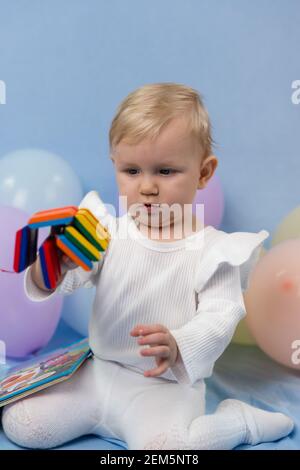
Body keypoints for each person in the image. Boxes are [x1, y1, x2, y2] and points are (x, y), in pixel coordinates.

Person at [2, 83, 294, 450]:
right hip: (100, 375)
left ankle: (239, 423)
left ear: (204, 173)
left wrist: (178, 344)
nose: (148, 187)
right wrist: (51, 269)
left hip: (164, 390)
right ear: (115, 165)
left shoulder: (214, 251)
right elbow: (65, 280)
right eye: (132, 171)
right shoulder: (107, 231)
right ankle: (95, 415)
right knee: (24, 425)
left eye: (166, 171)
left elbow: (220, 317)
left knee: (169, 452)